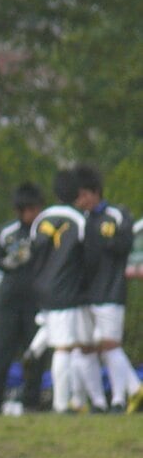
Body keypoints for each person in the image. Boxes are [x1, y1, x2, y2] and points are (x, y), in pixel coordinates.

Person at [73, 164, 141, 413]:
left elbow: (124, 244)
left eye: (83, 195)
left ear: (95, 192)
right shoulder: (80, 221)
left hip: (111, 291)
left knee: (111, 345)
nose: (81, 201)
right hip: (86, 294)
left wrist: (104, 241)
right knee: (87, 348)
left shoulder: (117, 215)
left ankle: (118, 400)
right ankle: (100, 401)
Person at [0, 183, 45, 415]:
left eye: (36, 208)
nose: (33, 214)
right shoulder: (8, 232)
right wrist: (15, 258)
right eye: (29, 209)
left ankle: (32, 401)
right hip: (10, 301)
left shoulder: (45, 230)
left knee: (35, 353)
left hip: (36, 301)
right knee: (0, 351)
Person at [30, 168, 89, 414]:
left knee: (62, 338)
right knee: (65, 347)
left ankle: (35, 347)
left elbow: (34, 252)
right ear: (78, 193)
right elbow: (86, 258)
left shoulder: (41, 219)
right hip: (66, 290)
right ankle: (61, 404)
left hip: (42, 289)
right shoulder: (79, 220)